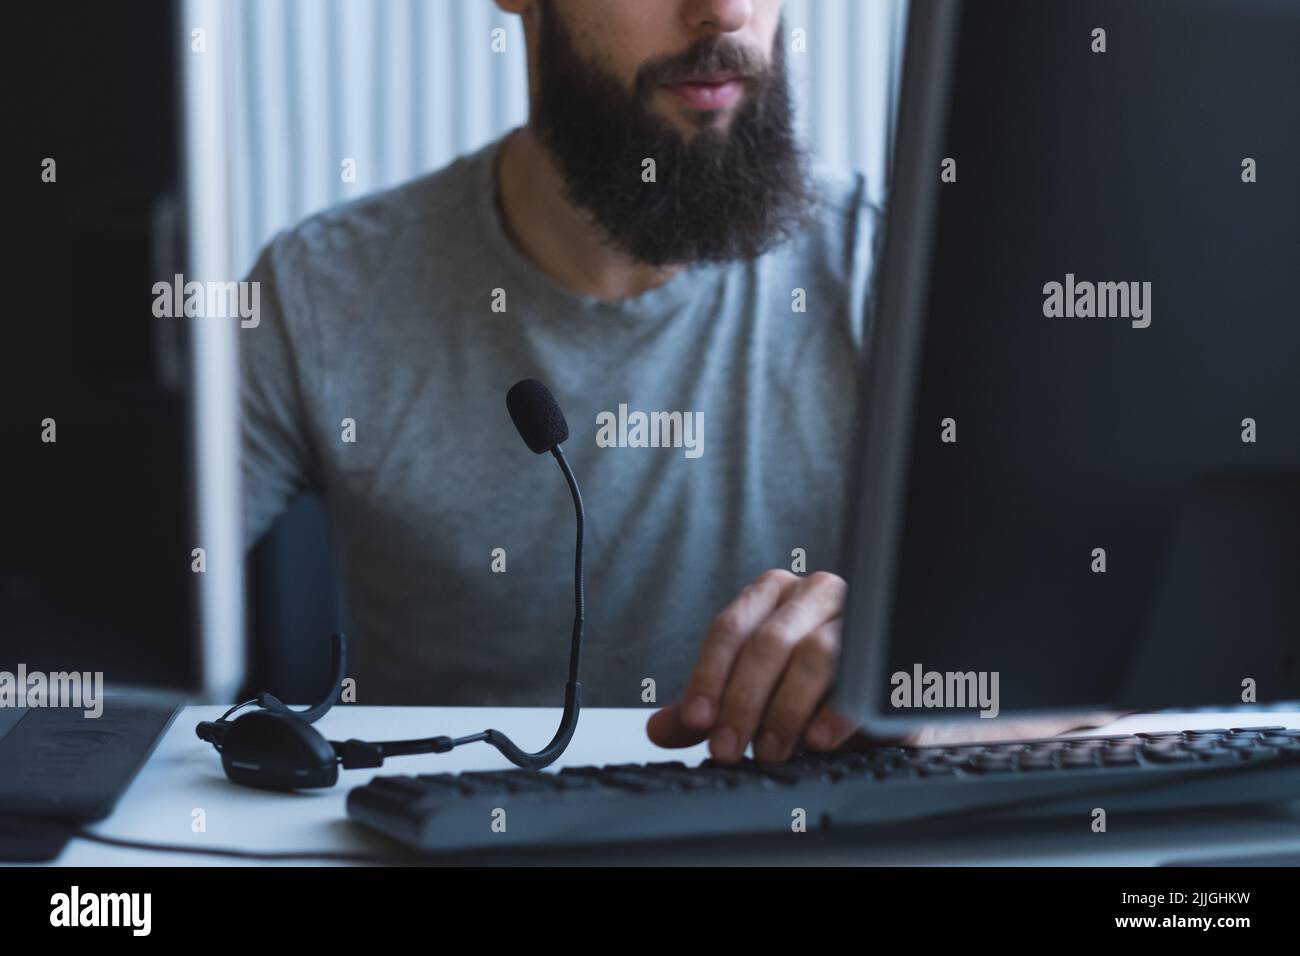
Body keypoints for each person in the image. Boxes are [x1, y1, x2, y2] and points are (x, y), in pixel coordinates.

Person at [241, 0, 1102, 767]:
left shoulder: (908, 275)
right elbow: (122, 623)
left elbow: (1120, 640)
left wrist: (927, 691)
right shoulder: (323, 292)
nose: (725, 13)